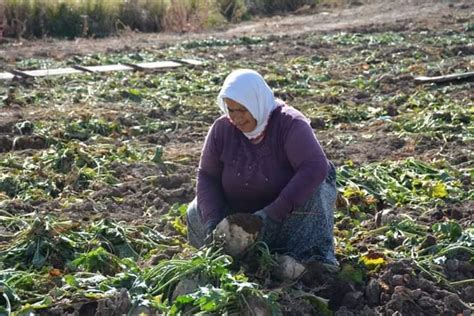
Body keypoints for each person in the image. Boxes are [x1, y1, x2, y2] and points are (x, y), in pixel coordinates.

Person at [186, 69, 337, 265]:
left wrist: (270, 215)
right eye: (231, 110)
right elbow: (207, 175)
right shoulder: (222, 129)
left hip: (287, 215)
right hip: (241, 216)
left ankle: (309, 260)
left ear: (256, 102)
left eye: (243, 109)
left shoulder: (289, 124)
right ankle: (226, 257)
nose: (236, 118)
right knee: (195, 210)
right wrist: (213, 224)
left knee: (317, 189)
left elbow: (314, 167)